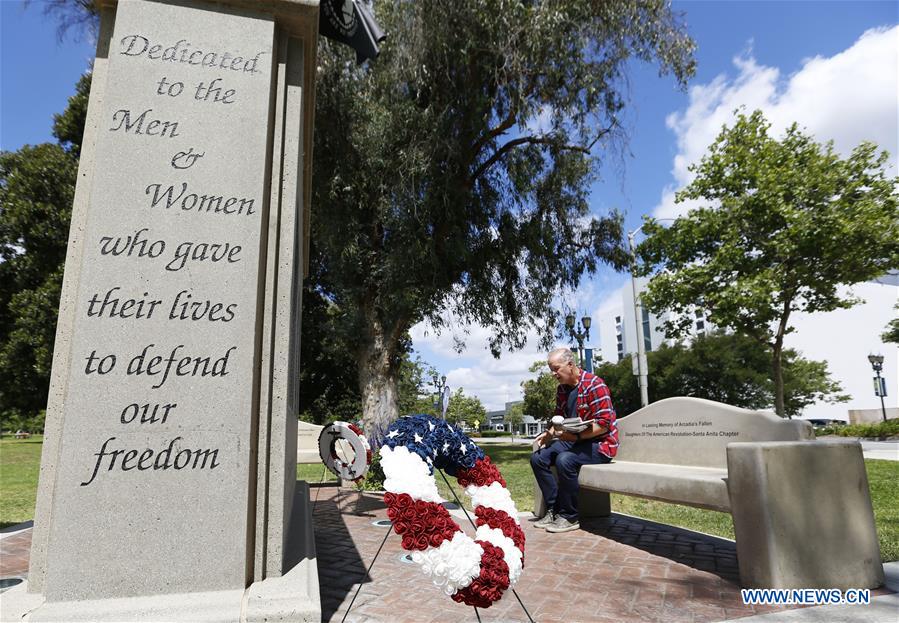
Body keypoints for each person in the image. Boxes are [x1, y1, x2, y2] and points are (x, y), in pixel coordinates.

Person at [529, 347, 618, 533]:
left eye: (556, 369)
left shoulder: (595, 385)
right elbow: (559, 417)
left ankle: (569, 516)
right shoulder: (562, 389)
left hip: (600, 444)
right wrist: (549, 433)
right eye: (551, 369)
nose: (553, 374)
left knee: (565, 460)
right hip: (574, 441)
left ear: (570, 365)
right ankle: (553, 510)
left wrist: (575, 436)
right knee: (538, 458)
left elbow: (604, 425)